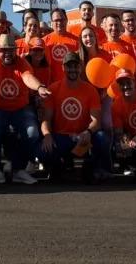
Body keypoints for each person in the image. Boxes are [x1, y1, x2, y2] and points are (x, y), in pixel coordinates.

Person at [0, 34, 52, 185]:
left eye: (10, 50)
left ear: (15, 51)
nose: (7, 53)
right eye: (3, 50)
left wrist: (40, 87)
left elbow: (27, 77)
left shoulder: (22, 63)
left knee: (32, 133)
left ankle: (18, 170)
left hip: (20, 109)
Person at [40, 52, 109, 182]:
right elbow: (46, 119)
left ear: (80, 68)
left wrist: (88, 132)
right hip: (61, 137)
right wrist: (47, 135)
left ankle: (90, 168)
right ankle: (57, 168)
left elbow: (96, 121)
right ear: (63, 68)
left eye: (75, 66)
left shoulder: (90, 90)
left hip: (82, 137)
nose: (72, 70)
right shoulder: (53, 89)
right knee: (42, 149)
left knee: (102, 139)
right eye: (69, 66)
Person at [43, 8, 81, 82]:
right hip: (51, 85)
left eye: (62, 20)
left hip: (72, 83)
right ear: (51, 23)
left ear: (66, 20)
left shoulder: (77, 41)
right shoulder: (44, 41)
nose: (59, 23)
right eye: (56, 20)